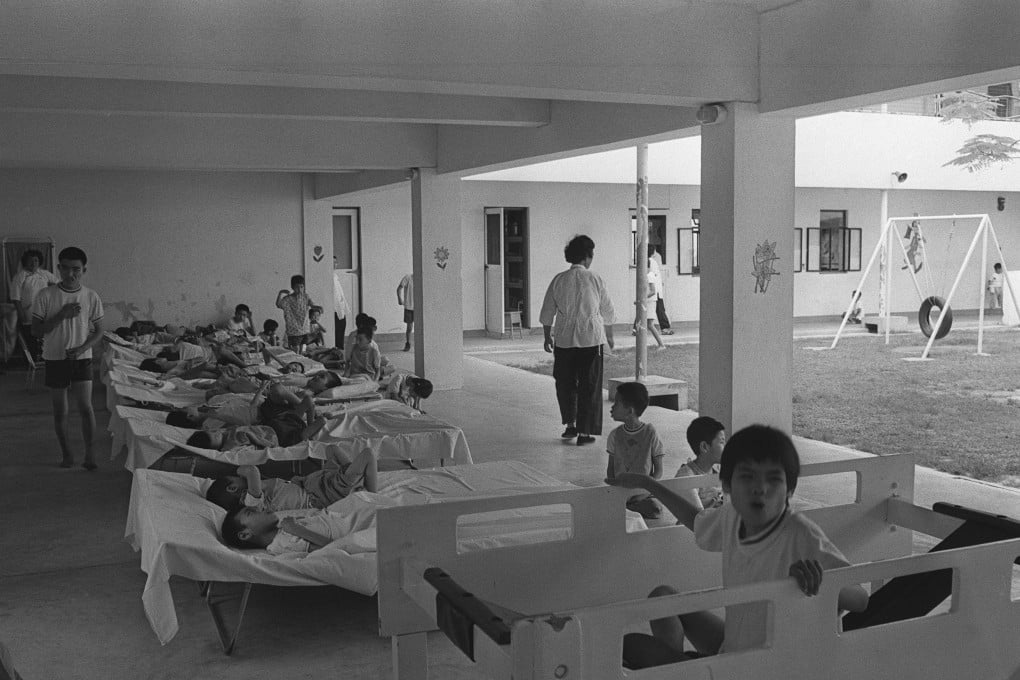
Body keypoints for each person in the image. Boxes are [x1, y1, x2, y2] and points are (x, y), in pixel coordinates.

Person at [609, 425, 869, 668]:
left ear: (789, 490)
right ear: (726, 485)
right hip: (735, 645)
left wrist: (819, 581)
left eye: (773, 480)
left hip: (770, 664)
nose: (760, 489)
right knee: (661, 598)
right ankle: (684, 669)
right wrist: (648, 483)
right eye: (747, 477)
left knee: (633, 647)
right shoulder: (732, 516)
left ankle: (687, 670)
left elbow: (860, 600)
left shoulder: (799, 534)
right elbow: (695, 521)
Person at [31, 246, 104, 470]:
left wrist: (83, 348)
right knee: (60, 410)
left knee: (85, 407)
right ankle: (67, 454)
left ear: (84, 270)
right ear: (58, 268)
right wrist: (62, 315)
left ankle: (90, 454)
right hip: (54, 358)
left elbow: (99, 332)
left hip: (82, 359)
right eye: (66, 269)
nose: (71, 274)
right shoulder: (46, 295)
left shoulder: (91, 296)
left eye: (76, 269)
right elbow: (35, 330)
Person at [539, 234, 615, 446]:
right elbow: (608, 311)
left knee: (565, 383)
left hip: (564, 340)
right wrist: (609, 337)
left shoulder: (559, 280)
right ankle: (585, 432)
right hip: (591, 339)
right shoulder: (595, 279)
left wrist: (547, 336)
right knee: (590, 385)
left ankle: (570, 425)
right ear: (588, 257)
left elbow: (547, 311)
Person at [206, 455, 377, 512]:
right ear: (233, 488)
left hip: (310, 487)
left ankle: (353, 481)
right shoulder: (251, 503)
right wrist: (236, 470)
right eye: (237, 479)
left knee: (332, 452)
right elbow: (251, 470)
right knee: (368, 454)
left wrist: (297, 482)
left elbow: (287, 492)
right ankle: (371, 496)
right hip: (321, 496)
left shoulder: (254, 499)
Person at [605, 382, 664, 519]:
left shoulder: (651, 433)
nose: (612, 407)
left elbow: (658, 471)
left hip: (644, 492)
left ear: (630, 411)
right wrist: (615, 489)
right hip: (620, 491)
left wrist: (647, 488)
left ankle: (628, 508)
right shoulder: (615, 435)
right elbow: (610, 470)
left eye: (616, 403)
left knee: (655, 508)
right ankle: (626, 507)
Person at [9, 248, 59, 362]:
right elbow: (15, 297)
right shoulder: (20, 276)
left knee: (45, 336)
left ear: (39, 262)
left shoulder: (44, 273)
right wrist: (21, 313)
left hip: (44, 311)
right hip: (28, 313)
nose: (33, 263)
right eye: (30, 260)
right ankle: (30, 362)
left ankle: (45, 359)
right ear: (25, 262)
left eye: (36, 260)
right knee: (30, 338)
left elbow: (59, 284)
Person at [674, 416, 726, 511]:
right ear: (704, 447)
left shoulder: (719, 469)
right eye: (722, 442)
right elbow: (695, 519)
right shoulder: (686, 477)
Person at [276, 275, 315, 352]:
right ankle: (296, 362)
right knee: (295, 349)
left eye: (302, 287)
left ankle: (300, 361)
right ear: (292, 287)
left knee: (302, 349)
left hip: (304, 328)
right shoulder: (288, 299)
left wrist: (318, 307)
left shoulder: (306, 297)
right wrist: (280, 293)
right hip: (293, 330)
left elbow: (312, 304)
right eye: (297, 287)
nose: (300, 289)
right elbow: (278, 304)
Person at [648, 245, 673, 334]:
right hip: (654, 289)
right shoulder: (652, 261)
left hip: (653, 288)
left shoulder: (652, 260)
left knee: (643, 307)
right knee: (660, 309)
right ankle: (665, 328)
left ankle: (636, 328)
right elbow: (654, 275)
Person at [333, 257, 351, 350]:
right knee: (337, 330)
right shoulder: (330, 277)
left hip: (340, 308)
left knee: (341, 328)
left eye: (335, 262)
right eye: (332, 262)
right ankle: (338, 349)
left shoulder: (335, 276)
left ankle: (340, 349)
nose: (334, 264)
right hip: (335, 309)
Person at [396, 273, 414, 352]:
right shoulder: (408, 278)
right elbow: (399, 288)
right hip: (409, 306)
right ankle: (408, 343)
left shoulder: (422, 277)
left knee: (420, 328)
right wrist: (399, 299)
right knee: (409, 327)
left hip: (419, 307)